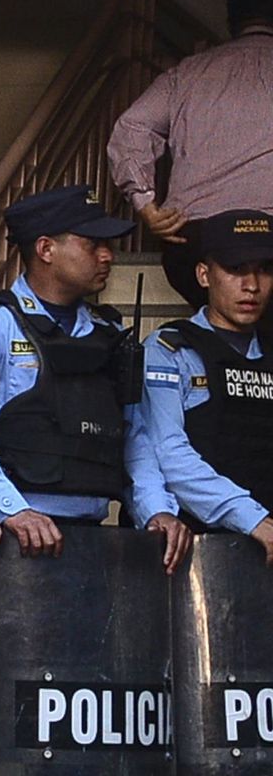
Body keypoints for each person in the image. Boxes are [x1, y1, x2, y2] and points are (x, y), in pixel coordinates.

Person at [0, 184, 188, 569]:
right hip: (11, 538)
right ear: (45, 249)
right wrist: (11, 508)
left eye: (108, 245)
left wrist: (156, 510)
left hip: (95, 538)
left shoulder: (109, 334)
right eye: (91, 244)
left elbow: (134, 435)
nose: (107, 255)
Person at [108, 0, 273, 317]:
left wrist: (146, 204)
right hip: (269, 238)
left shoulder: (186, 72)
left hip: (196, 239)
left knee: (221, 337)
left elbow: (132, 127)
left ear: (231, 22)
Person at [139, 209, 273, 564]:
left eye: (264, 269)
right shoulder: (171, 349)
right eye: (235, 269)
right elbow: (168, 453)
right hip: (198, 550)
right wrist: (250, 517)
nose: (252, 285)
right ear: (203, 274)